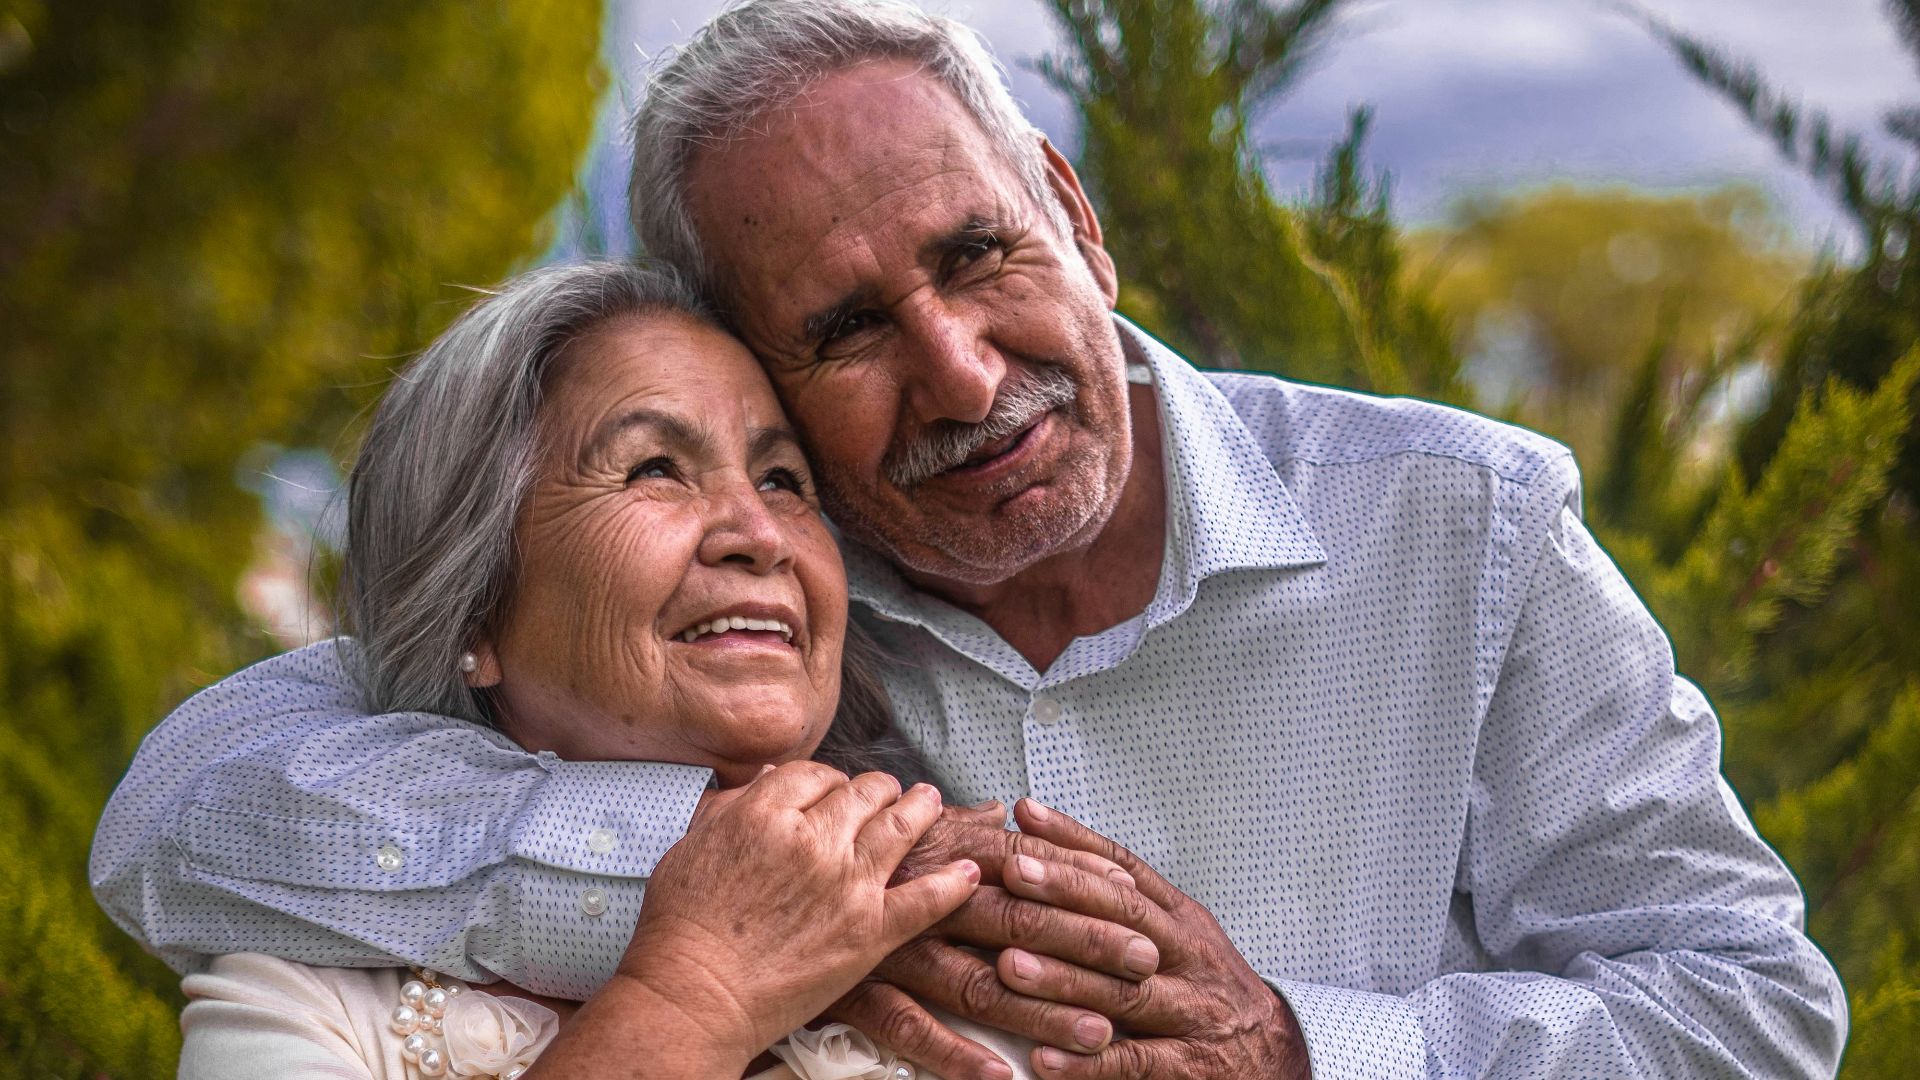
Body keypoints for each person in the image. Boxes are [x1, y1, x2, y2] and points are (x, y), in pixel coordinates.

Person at [95, 1, 1848, 1077]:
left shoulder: (1466, 524)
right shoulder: (763, 628)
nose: (958, 370)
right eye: (845, 333)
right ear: (753, 375)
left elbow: (1750, 1013)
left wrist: (1304, 1051)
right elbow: (180, 816)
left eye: (977, 254)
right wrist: (740, 873)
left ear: (1076, 219)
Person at [173, 258, 1075, 1079]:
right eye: (654, 468)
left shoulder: (989, 952)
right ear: (477, 609)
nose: (759, 536)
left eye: (783, 481)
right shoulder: (301, 1006)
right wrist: (694, 995)